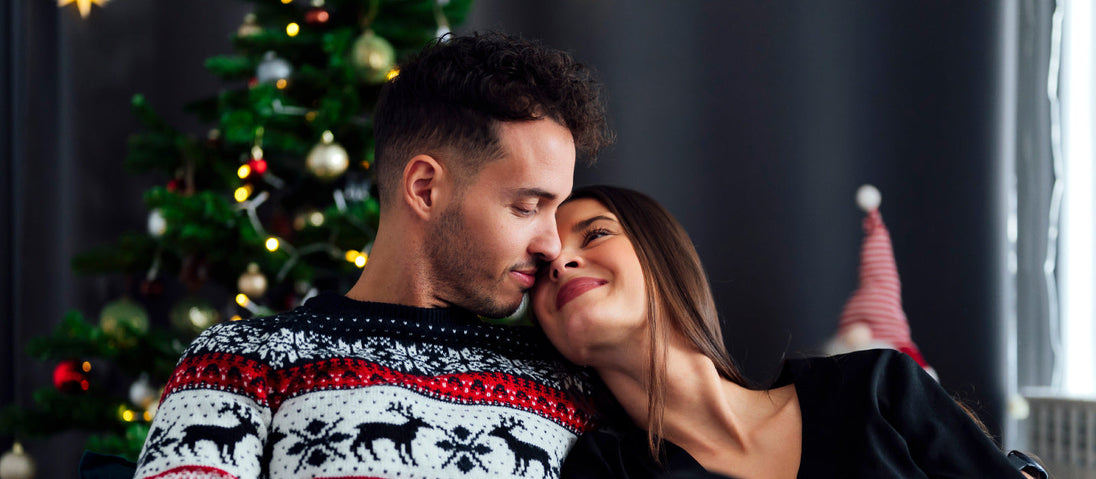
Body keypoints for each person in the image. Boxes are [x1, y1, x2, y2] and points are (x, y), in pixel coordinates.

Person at [132, 32, 612, 479]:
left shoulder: (571, 387)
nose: (551, 245)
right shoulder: (238, 363)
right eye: (527, 206)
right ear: (425, 188)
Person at [530, 185, 1042, 479]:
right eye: (544, 263)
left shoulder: (873, 390)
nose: (563, 262)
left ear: (661, 254)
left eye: (595, 233)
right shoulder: (607, 473)